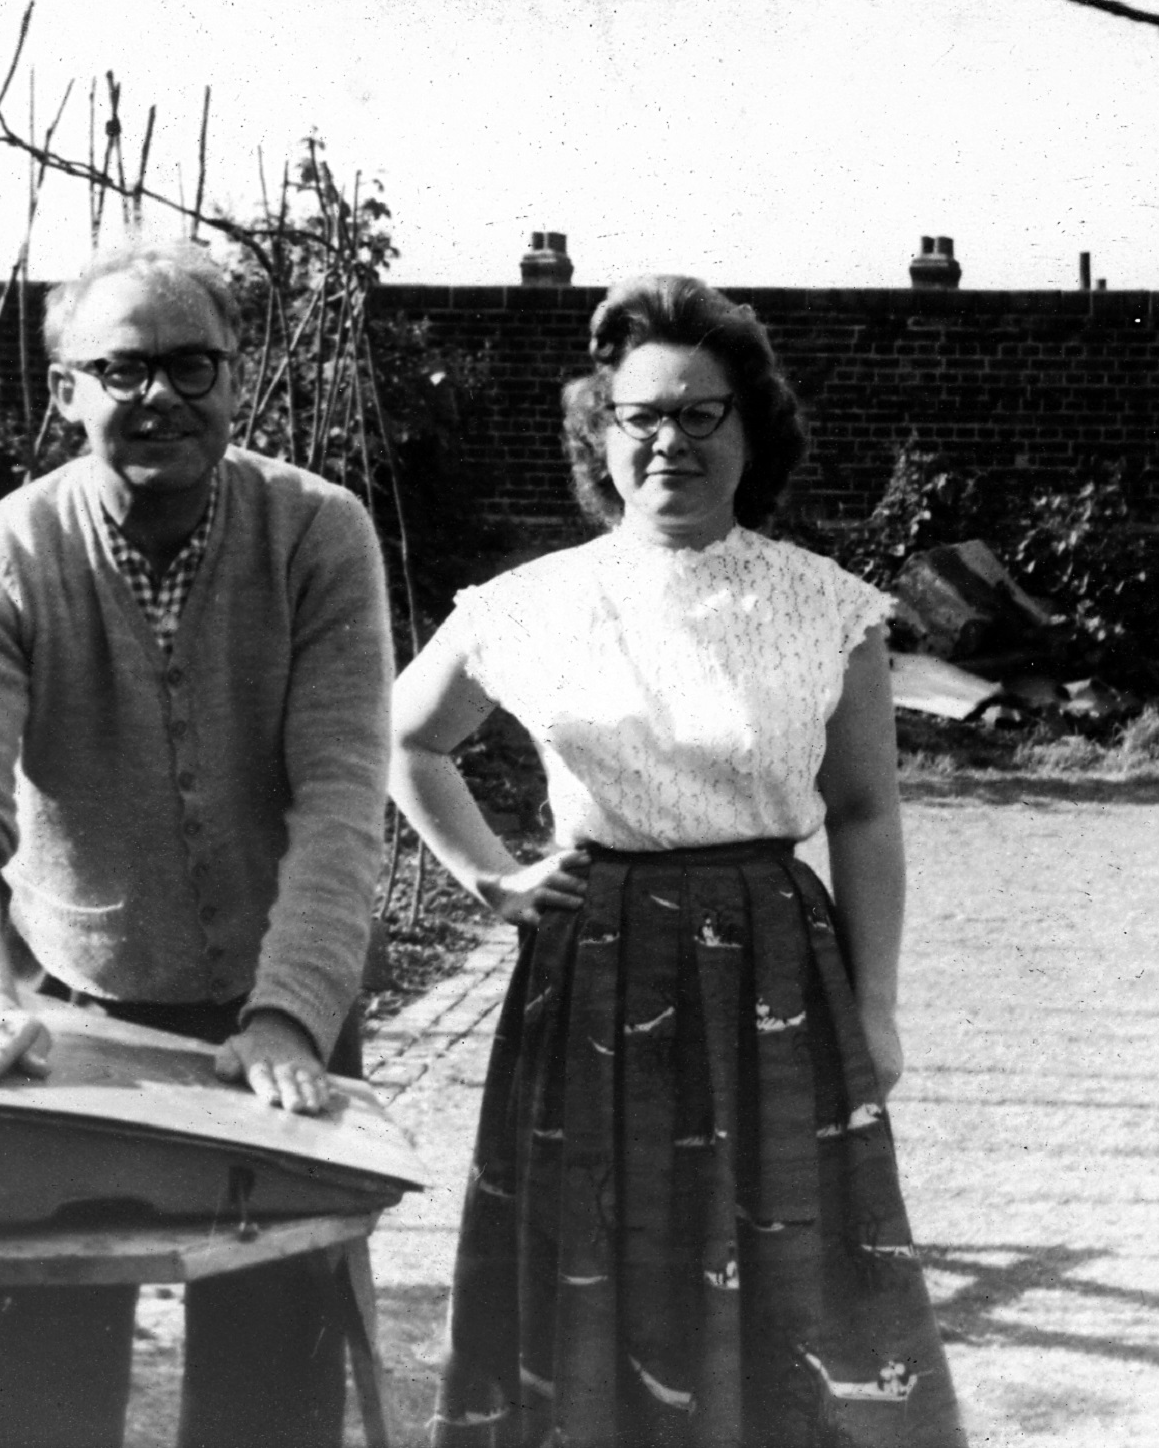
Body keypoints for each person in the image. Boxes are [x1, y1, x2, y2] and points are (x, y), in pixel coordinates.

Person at [391, 275, 965, 1447]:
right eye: (636, 415)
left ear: (750, 430)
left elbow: (860, 813)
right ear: (598, 436)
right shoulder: (529, 602)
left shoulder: (827, 609)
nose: (667, 442)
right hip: (593, 971)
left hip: (774, 971)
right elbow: (405, 737)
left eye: (700, 413)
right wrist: (491, 880)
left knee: (792, 1266)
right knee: (604, 1249)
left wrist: (877, 1007)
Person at [0, 239, 393, 1448]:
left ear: (234, 381)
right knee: (34, 1366)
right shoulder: (3, 558)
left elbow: (341, 794)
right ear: (65, 391)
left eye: (190, 364)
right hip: (78, 1004)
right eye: (120, 370)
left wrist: (289, 1015)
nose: (156, 395)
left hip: (281, 1003)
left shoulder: (316, 534)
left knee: (273, 1373)